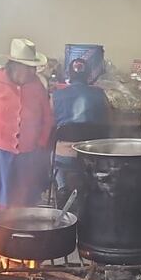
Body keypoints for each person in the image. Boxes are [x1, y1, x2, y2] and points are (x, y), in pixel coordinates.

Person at [0, 38, 54, 213]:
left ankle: (23, 234)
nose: (33, 71)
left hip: (28, 153)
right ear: (16, 66)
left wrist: (41, 142)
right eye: (29, 67)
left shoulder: (37, 86)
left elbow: (47, 118)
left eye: (34, 67)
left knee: (24, 203)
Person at [52, 58, 110, 208]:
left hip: (65, 156)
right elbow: (108, 119)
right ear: (89, 75)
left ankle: (62, 187)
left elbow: (49, 124)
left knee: (49, 155)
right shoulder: (100, 94)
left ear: (68, 75)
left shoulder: (56, 96)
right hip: (91, 155)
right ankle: (91, 190)